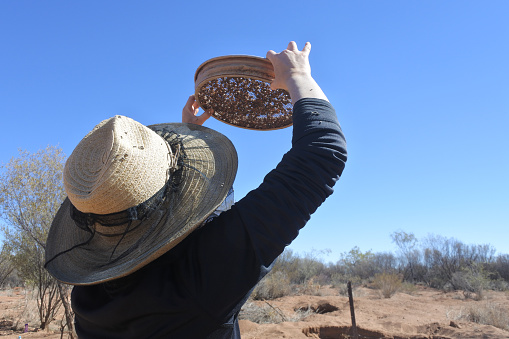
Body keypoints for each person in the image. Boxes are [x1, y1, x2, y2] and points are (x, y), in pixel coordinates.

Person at [45, 41, 347, 338]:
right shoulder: (200, 278)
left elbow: (198, 223)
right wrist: (298, 77)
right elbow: (321, 153)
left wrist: (196, 132)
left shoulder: (90, 300)